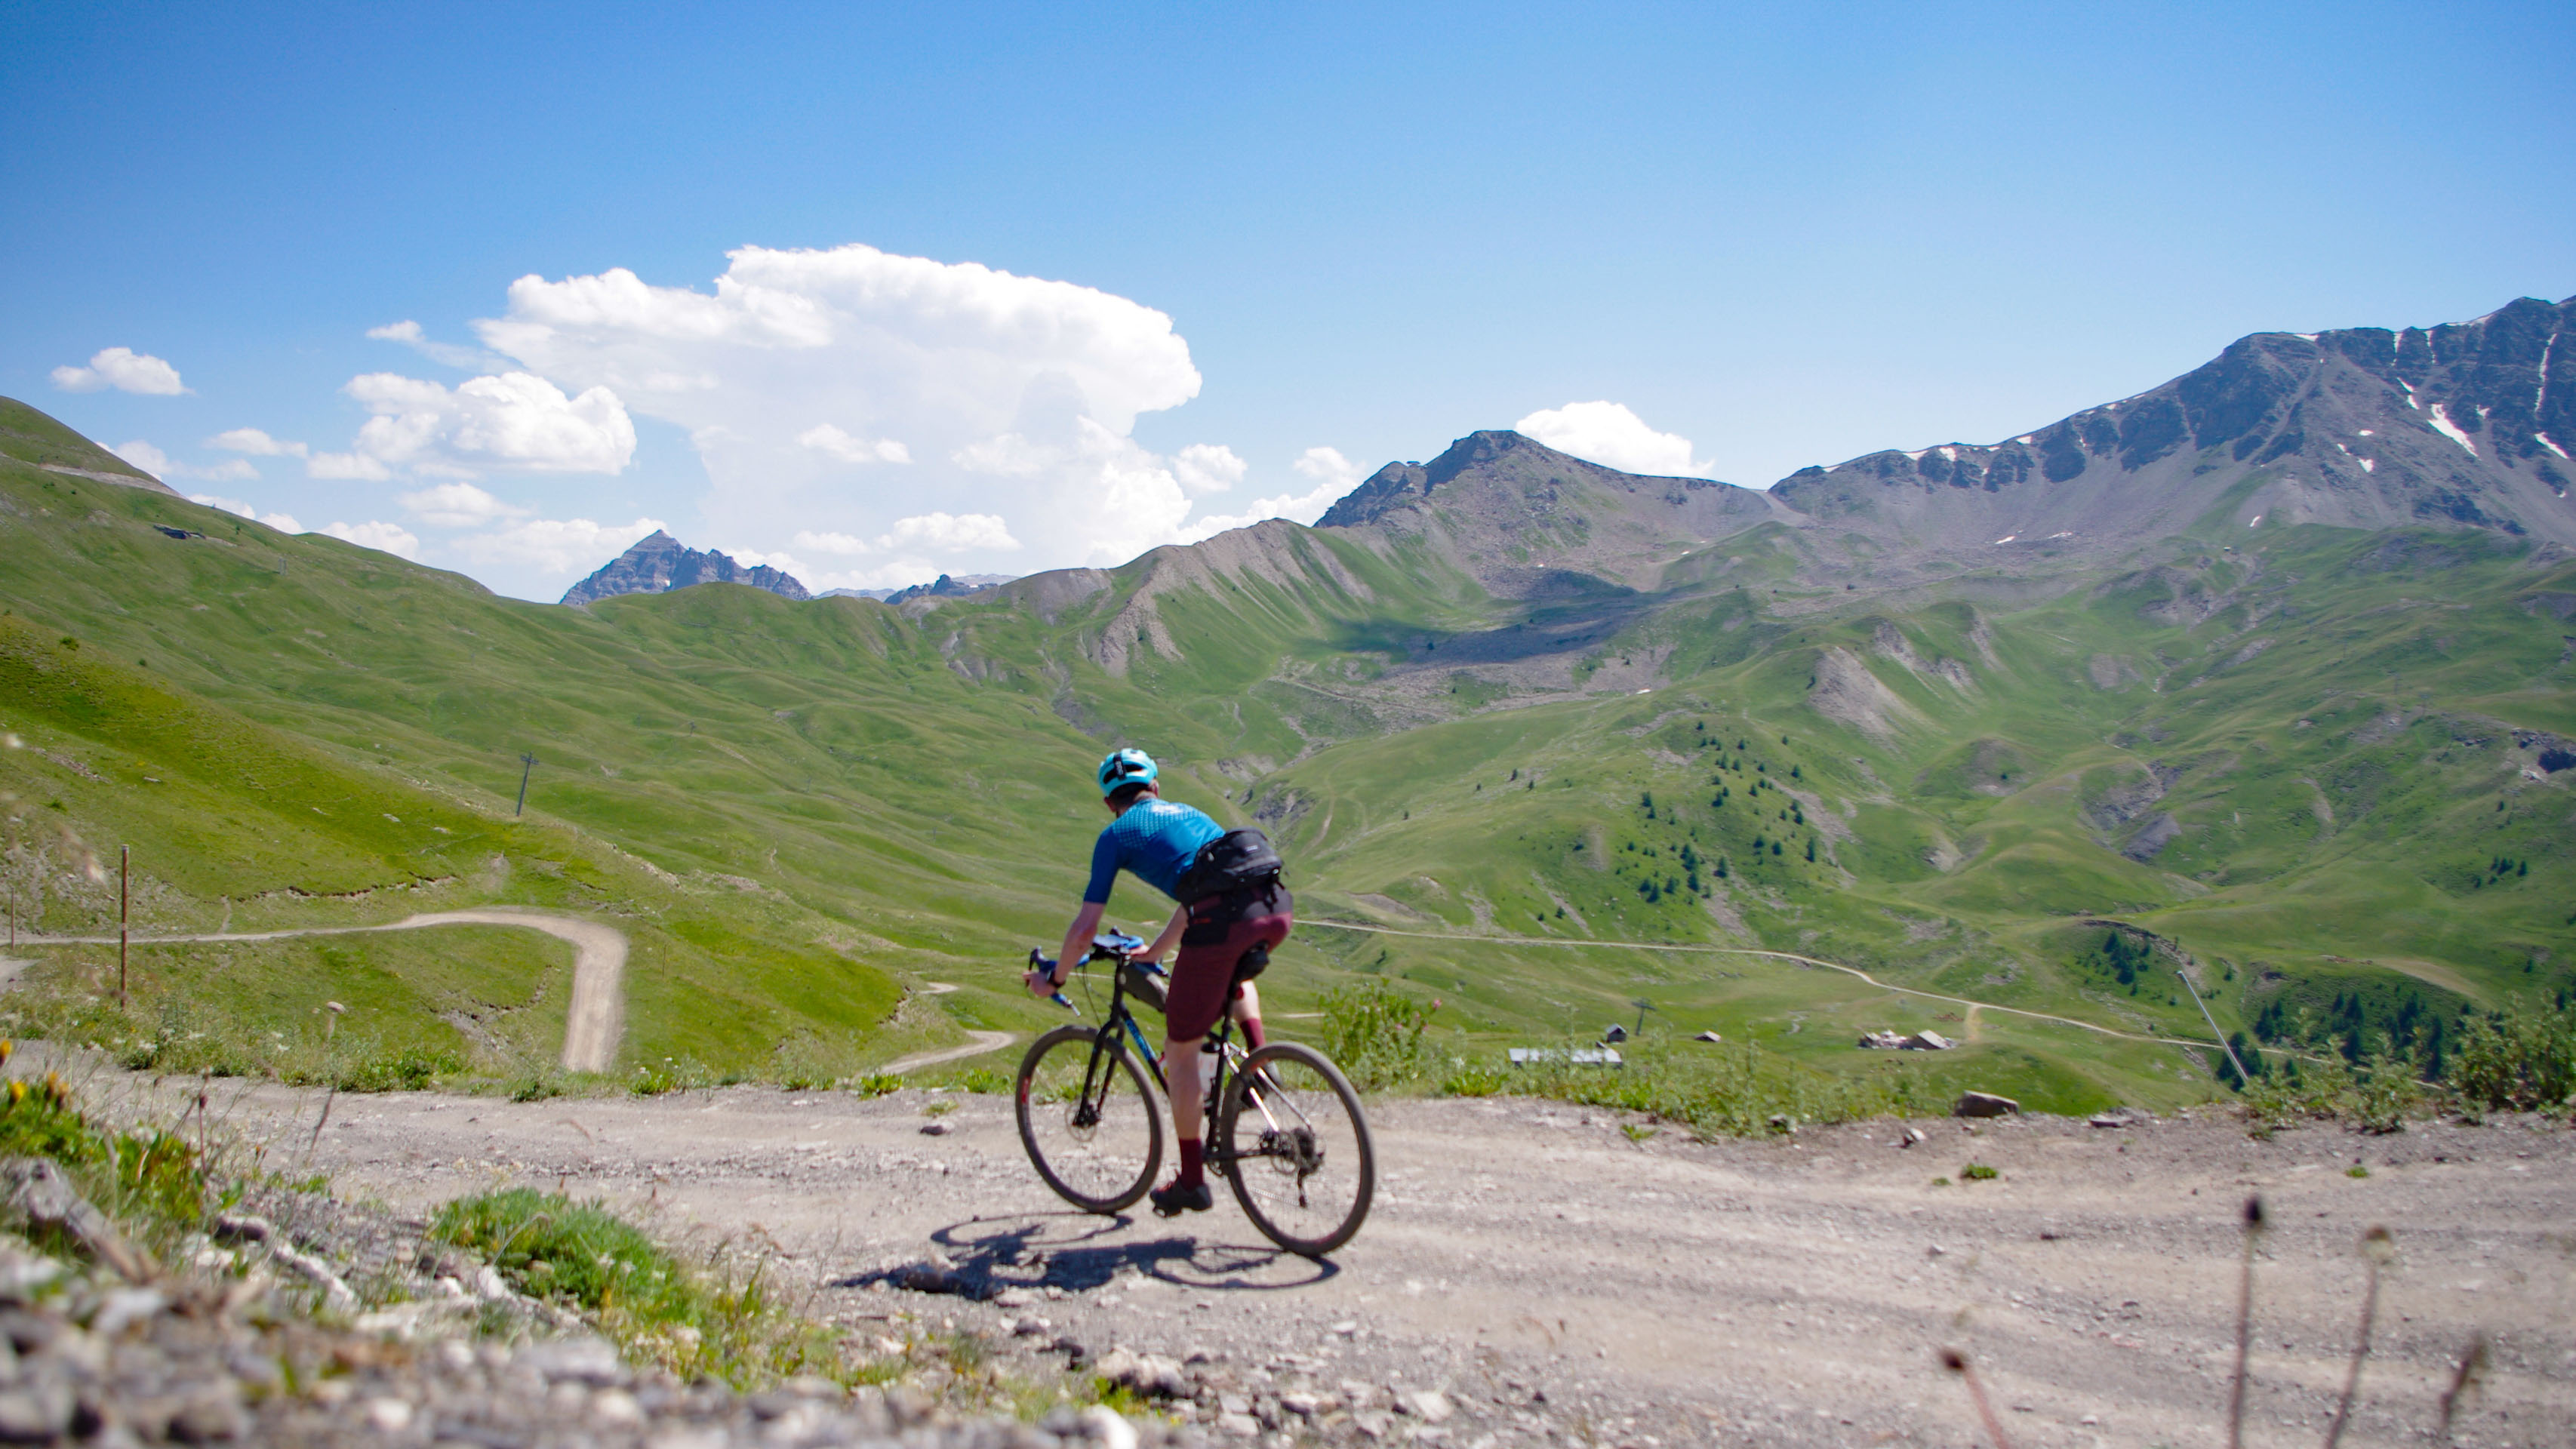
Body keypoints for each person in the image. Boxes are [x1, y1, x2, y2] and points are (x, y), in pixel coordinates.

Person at [1024, 747, 1292, 1215]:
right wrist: (1156, 953)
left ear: (1110, 803)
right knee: (1235, 970)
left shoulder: (1116, 835)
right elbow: (1203, 892)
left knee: (1181, 1048)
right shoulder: (1191, 813)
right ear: (1156, 788)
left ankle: (1191, 1182)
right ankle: (1259, 1063)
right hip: (1273, 906)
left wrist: (1057, 978)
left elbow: (1086, 928)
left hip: (1224, 919)